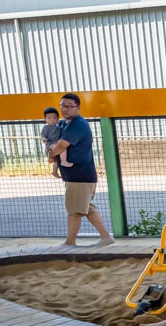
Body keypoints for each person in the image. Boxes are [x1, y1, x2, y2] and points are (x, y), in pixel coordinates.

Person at [48, 93, 114, 248]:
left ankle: (70, 243)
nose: (65, 109)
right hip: (76, 175)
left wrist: (52, 153)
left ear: (77, 107)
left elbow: (60, 146)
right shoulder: (64, 124)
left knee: (74, 210)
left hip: (79, 175)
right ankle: (105, 237)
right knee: (86, 207)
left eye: (69, 106)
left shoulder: (78, 124)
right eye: (63, 106)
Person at [40, 107, 72, 178]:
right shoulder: (46, 127)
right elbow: (42, 135)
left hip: (57, 143)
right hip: (50, 145)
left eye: (54, 118)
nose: (52, 120)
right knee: (63, 148)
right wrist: (44, 139)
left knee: (57, 160)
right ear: (45, 119)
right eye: (49, 118)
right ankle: (62, 161)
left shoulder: (58, 125)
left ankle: (54, 171)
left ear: (58, 119)